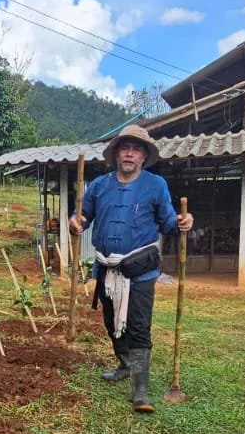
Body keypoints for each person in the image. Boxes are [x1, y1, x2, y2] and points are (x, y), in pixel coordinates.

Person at [69, 125, 194, 412]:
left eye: (136, 149)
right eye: (125, 148)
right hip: (106, 268)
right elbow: (83, 214)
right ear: (116, 154)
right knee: (111, 323)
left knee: (138, 326)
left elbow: (168, 223)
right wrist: (76, 221)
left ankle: (140, 388)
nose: (130, 153)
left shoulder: (156, 185)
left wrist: (182, 222)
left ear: (143, 156)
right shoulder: (99, 185)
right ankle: (125, 364)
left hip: (140, 269)